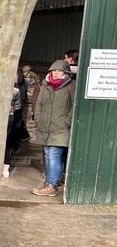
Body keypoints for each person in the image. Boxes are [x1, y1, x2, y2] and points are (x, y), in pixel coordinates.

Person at [31, 60, 74, 197]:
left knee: (53, 155)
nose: (56, 73)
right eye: (53, 70)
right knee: (49, 154)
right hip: (45, 126)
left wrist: (67, 122)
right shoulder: (46, 85)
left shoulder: (70, 86)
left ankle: (51, 186)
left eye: (59, 70)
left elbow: (74, 106)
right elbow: (39, 103)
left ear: (65, 72)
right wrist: (38, 118)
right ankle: (52, 183)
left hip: (60, 127)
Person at [4, 81, 21, 178]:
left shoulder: (15, 91)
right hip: (9, 116)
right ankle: (5, 167)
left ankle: (4, 166)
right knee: (7, 142)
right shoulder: (15, 90)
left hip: (6, 116)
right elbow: (17, 106)